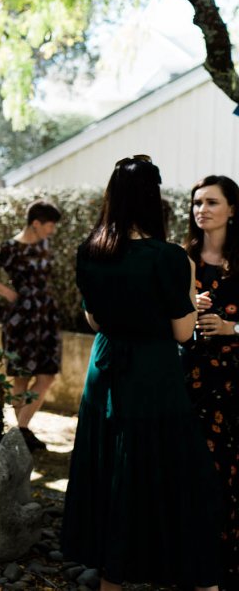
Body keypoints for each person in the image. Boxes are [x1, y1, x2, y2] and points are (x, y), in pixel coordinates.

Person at [61, 155, 221, 591]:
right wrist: (188, 292)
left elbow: (94, 320)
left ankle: (112, 572)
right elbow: (184, 332)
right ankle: (177, 568)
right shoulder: (170, 258)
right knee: (166, 474)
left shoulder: (89, 252)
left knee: (111, 470)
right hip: (152, 376)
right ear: (155, 200)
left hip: (105, 371)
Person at [181, 174, 239, 589]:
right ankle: (195, 564)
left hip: (235, 384)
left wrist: (232, 328)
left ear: (232, 209)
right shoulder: (182, 258)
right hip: (192, 382)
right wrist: (187, 305)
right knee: (196, 471)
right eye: (197, 202)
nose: (202, 209)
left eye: (212, 202)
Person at [0, 199, 62, 452]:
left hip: (46, 316)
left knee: (47, 374)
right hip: (21, 319)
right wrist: (8, 293)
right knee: (22, 376)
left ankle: (21, 428)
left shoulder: (45, 244)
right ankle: (23, 431)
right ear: (35, 223)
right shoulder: (10, 248)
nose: (53, 230)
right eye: (49, 225)